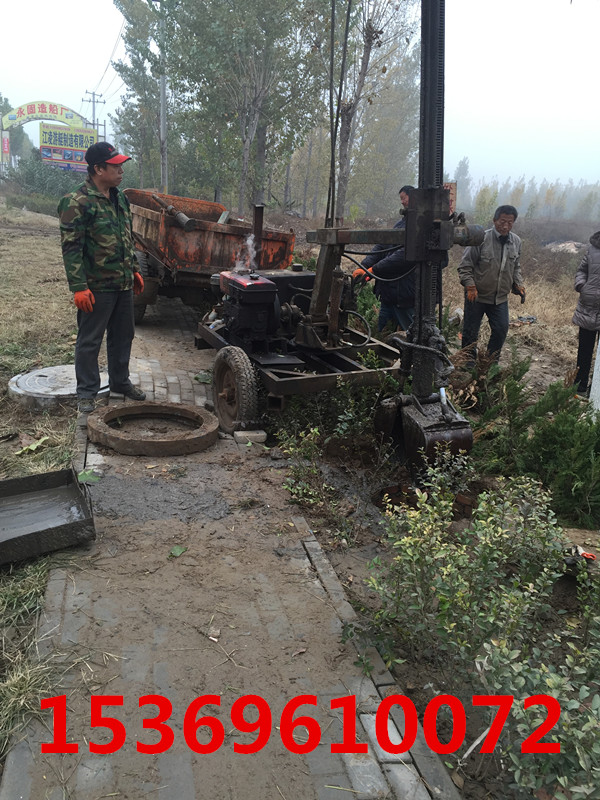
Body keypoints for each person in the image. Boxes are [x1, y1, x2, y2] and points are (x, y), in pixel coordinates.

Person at [58, 141, 146, 414]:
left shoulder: (120, 198)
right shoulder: (76, 202)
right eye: (115, 166)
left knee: (124, 336)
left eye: (121, 166)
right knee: (90, 340)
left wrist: (133, 269)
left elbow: (126, 238)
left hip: (121, 284)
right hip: (96, 287)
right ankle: (87, 392)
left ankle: (120, 383)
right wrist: (79, 287)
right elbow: (71, 248)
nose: (121, 171)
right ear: (98, 169)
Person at [457, 204, 525, 363]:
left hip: (500, 299)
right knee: (470, 333)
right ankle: (466, 365)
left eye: (510, 222)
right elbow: (465, 266)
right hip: (477, 297)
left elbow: (516, 267)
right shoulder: (481, 239)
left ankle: (489, 364)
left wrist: (518, 284)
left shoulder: (516, 242)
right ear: (494, 220)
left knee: (501, 330)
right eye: (502, 221)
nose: (505, 226)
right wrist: (470, 286)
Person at [353, 185, 416, 332]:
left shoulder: (419, 227)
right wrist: (364, 266)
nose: (402, 202)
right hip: (389, 295)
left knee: (410, 335)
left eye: (403, 198)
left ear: (414, 197)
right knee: (382, 333)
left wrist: (373, 270)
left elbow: (402, 256)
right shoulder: (400, 224)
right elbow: (382, 246)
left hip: (404, 297)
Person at [572, 230, 600, 397]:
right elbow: (582, 270)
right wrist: (582, 285)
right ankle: (579, 387)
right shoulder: (593, 248)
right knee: (584, 350)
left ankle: (595, 392)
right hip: (588, 307)